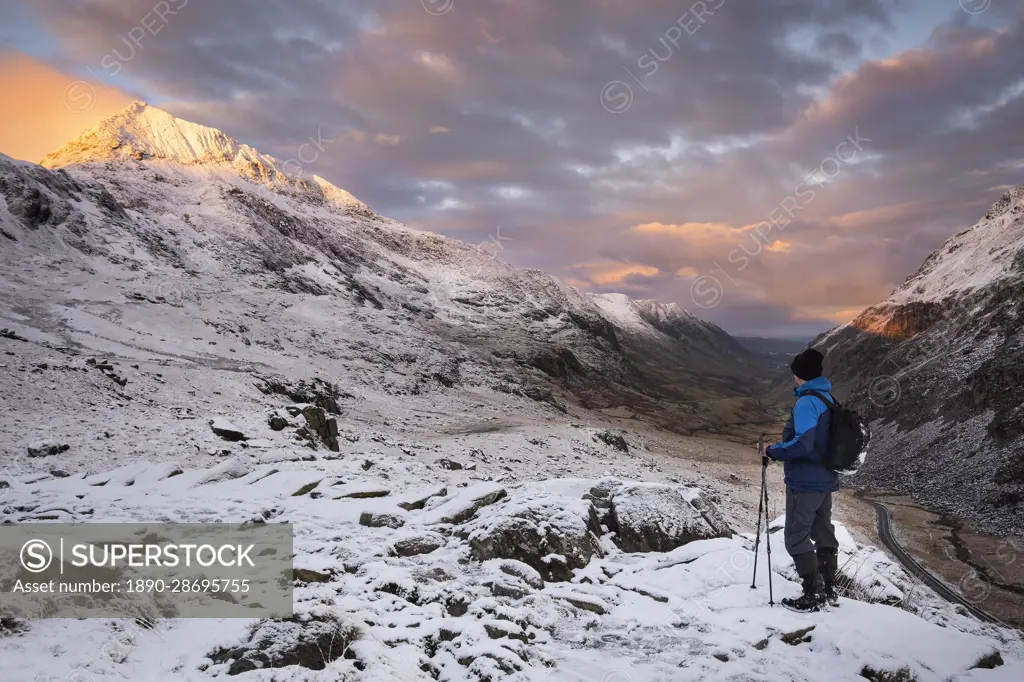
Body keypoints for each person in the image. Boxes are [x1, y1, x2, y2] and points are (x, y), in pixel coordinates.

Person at [765, 348, 840, 612]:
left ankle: (813, 593)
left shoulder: (807, 402)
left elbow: (803, 444)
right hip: (825, 479)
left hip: (805, 482)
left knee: (796, 536)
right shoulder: (827, 397)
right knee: (823, 532)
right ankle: (829, 588)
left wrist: (772, 451)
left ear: (800, 375)